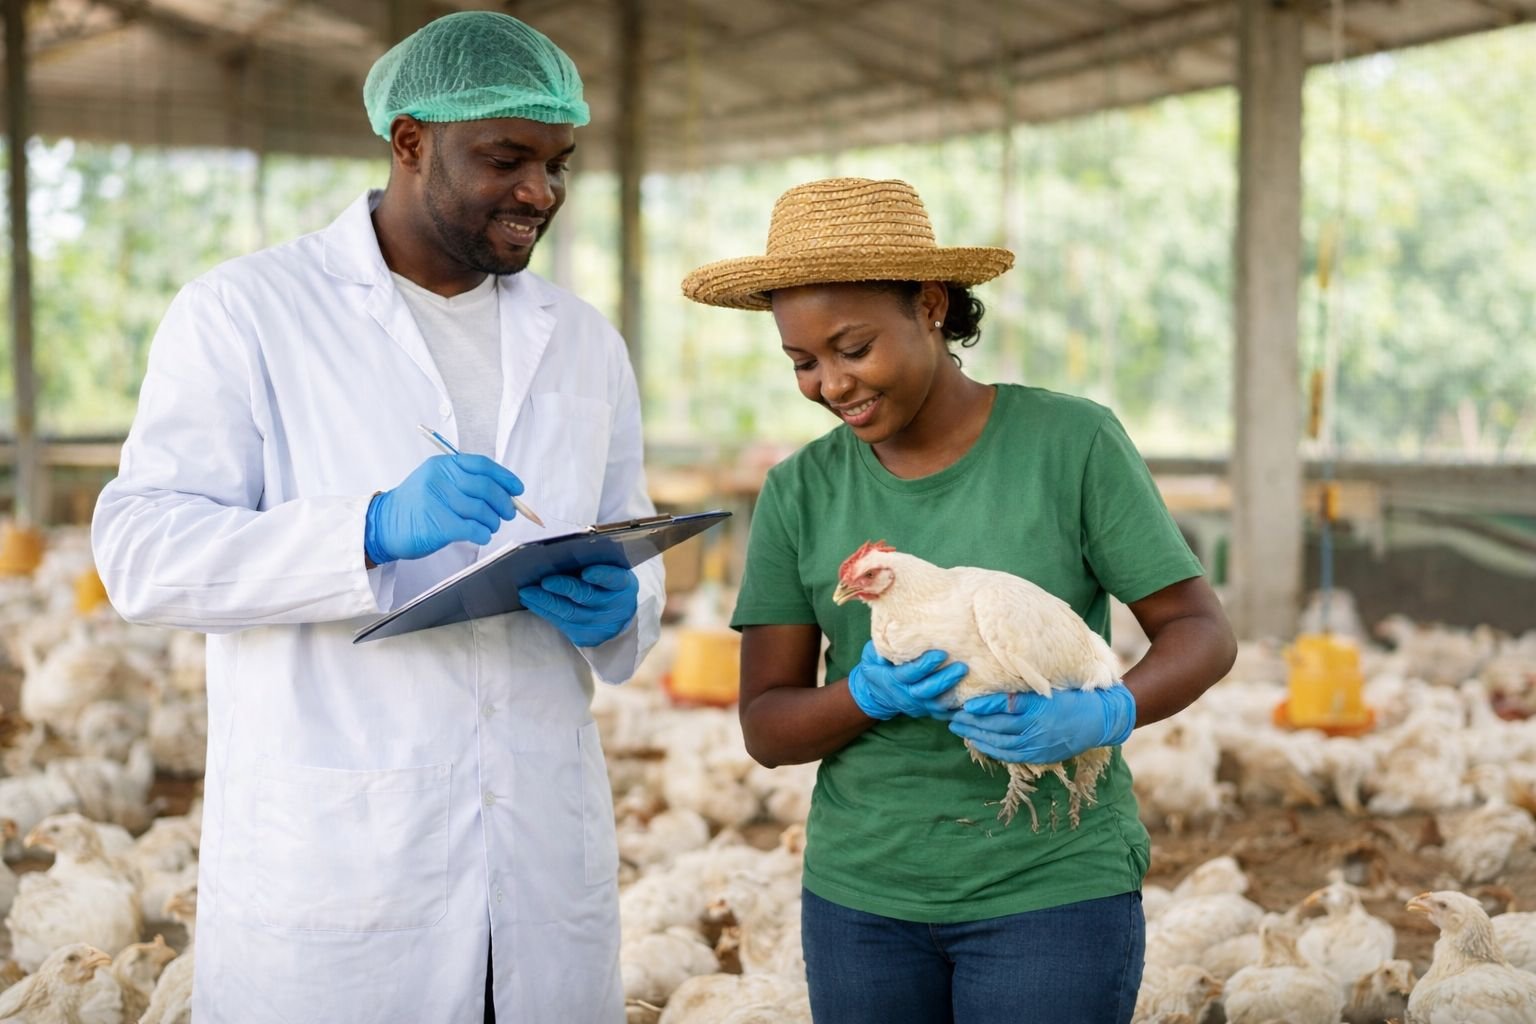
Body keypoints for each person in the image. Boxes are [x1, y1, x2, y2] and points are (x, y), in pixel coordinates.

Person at [91, 12, 660, 1022]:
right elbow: (141, 550)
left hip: (533, 860)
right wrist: (364, 527)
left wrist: (621, 604)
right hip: (341, 868)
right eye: (507, 158)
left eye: (558, 162)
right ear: (409, 142)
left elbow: (629, 526)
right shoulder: (247, 312)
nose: (541, 192)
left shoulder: (579, 340)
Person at [681, 177, 1237, 1024]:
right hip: (863, 897)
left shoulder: (1071, 444)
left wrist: (1108, 712)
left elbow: (1201, 631)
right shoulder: (800, 490)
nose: (831, 383)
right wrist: (863, 695)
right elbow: (766, 726)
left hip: (1050, 885)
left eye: (852, 348)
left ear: (932, 306)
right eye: (802, 361)